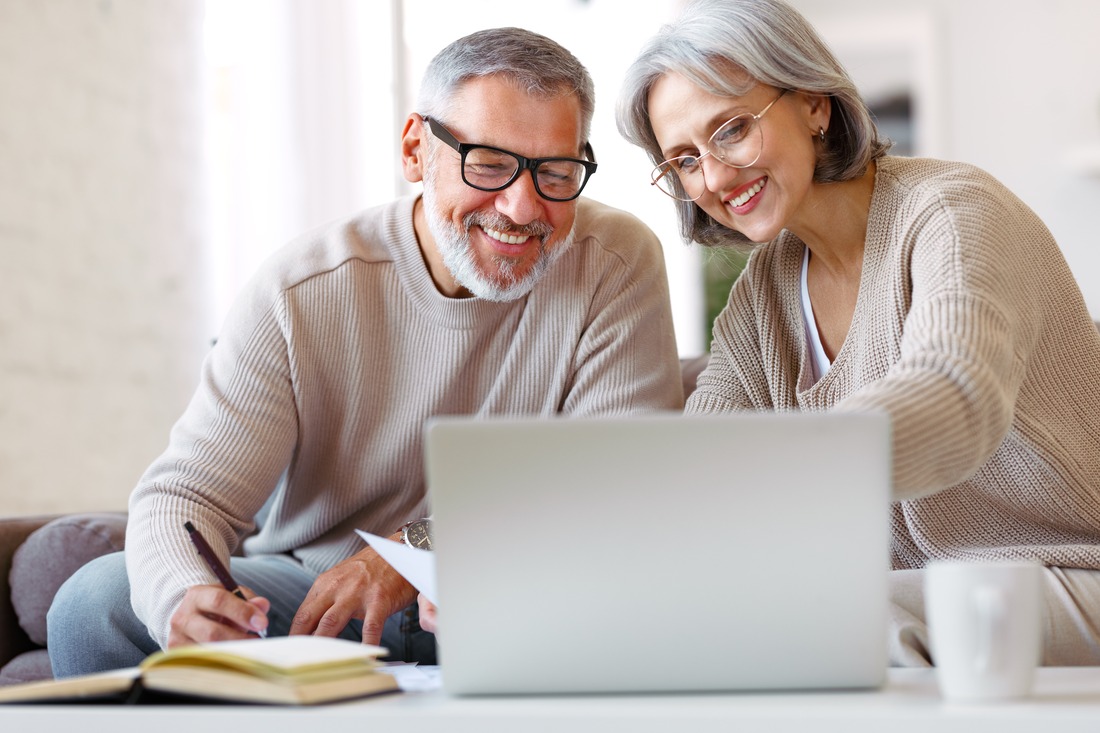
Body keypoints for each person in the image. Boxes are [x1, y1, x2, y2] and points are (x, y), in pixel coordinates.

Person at [47, 26, 684, 676]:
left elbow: (615, 482)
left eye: (555, 172)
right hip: (321, 604)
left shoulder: (614, 260)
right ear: (416, 149)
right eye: (489, 164)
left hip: (515, 592)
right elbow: (184, 495)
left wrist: (418, 550)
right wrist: (186, 596)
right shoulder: (301, 290)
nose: (523, 206)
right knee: (90, 605)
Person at [617, 0, 1100, 666]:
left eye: (730, 129)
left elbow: (955, 394)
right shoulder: (766, 292)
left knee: (841, 614)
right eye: (684, 159)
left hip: (1071, 568)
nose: (715, 177)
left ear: (814, 103)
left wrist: (788, 465)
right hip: (936, 594)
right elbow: (708, 451)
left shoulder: (953, 214)